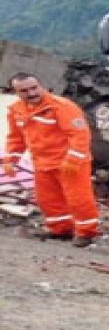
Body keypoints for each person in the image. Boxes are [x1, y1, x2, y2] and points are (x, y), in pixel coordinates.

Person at [2, 72, 99, 247]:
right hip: (42, 163)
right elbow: (16, 138)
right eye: (24, 91)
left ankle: (86, 233)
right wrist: (11, 159)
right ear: (16, 92)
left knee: (78, 199)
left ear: (41, 86)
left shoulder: (62, 107)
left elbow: (79, 134)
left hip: (69, 163)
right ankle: (60, 229)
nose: (31, 93)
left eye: (34, 88)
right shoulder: (17, 110)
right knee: (48, 199)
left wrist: (74, 158)